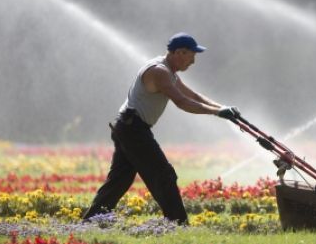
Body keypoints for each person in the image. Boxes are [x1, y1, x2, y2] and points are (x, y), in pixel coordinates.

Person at [83, 32, 240, 224]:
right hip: (133, 128)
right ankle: (178, 222)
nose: (193, 61)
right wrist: (216, 113)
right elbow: (182, 102)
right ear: (180, 52)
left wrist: (222, 108)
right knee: (163, 174)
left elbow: (193, 95)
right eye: (192, 55)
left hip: (128, 126)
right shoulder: (160, 72)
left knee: (120, 180)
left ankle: (91, 221)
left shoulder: (169, 71)